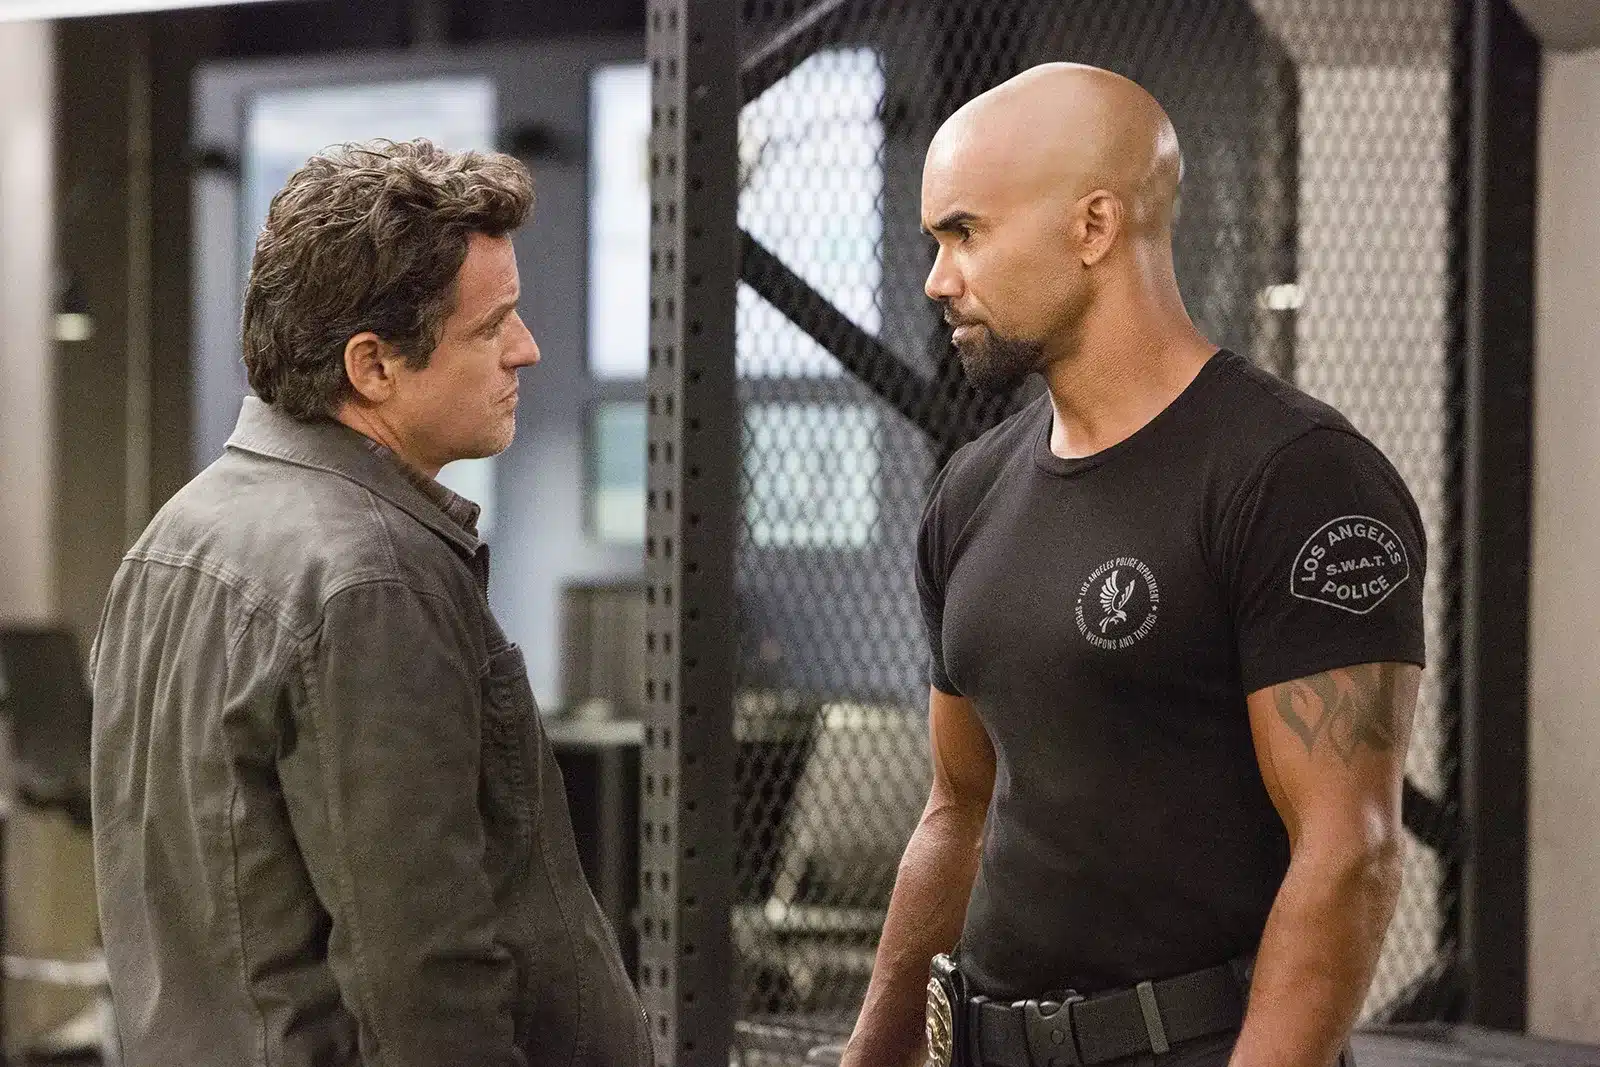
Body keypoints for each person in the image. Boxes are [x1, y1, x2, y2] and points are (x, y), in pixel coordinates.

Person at [842, 64, 1424, 1067]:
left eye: (965, 232)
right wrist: (871, 1055)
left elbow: (1349, 854)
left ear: (1093, 227)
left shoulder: (1295, 477)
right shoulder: (971, 492)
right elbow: (957, 808)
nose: (937, 277)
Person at [91, 139, 651, 1067]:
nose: (527, 348)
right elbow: (425, 975)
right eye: (492, 326)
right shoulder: (373, 577)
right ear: (373, 365)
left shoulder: (172, 539)